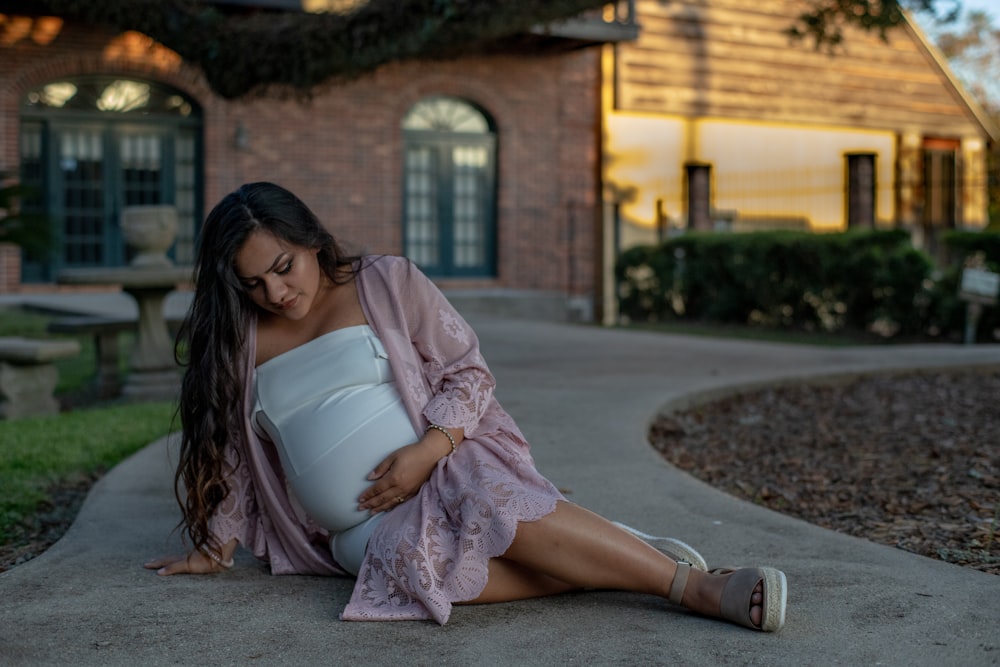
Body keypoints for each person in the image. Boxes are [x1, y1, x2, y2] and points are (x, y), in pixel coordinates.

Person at [144, 181, 787, 631]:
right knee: (423, 576)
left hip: (448, 465)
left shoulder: (384, 283)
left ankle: (694, 589)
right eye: (253, 283)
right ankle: (617, 551)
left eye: (284, 267)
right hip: (358, 530)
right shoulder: (242, 338)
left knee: (484, 499)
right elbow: (228, 448)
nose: (277, 292)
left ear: (310, 239)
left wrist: (429, 451)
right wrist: (216, 542)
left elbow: (468, 372)